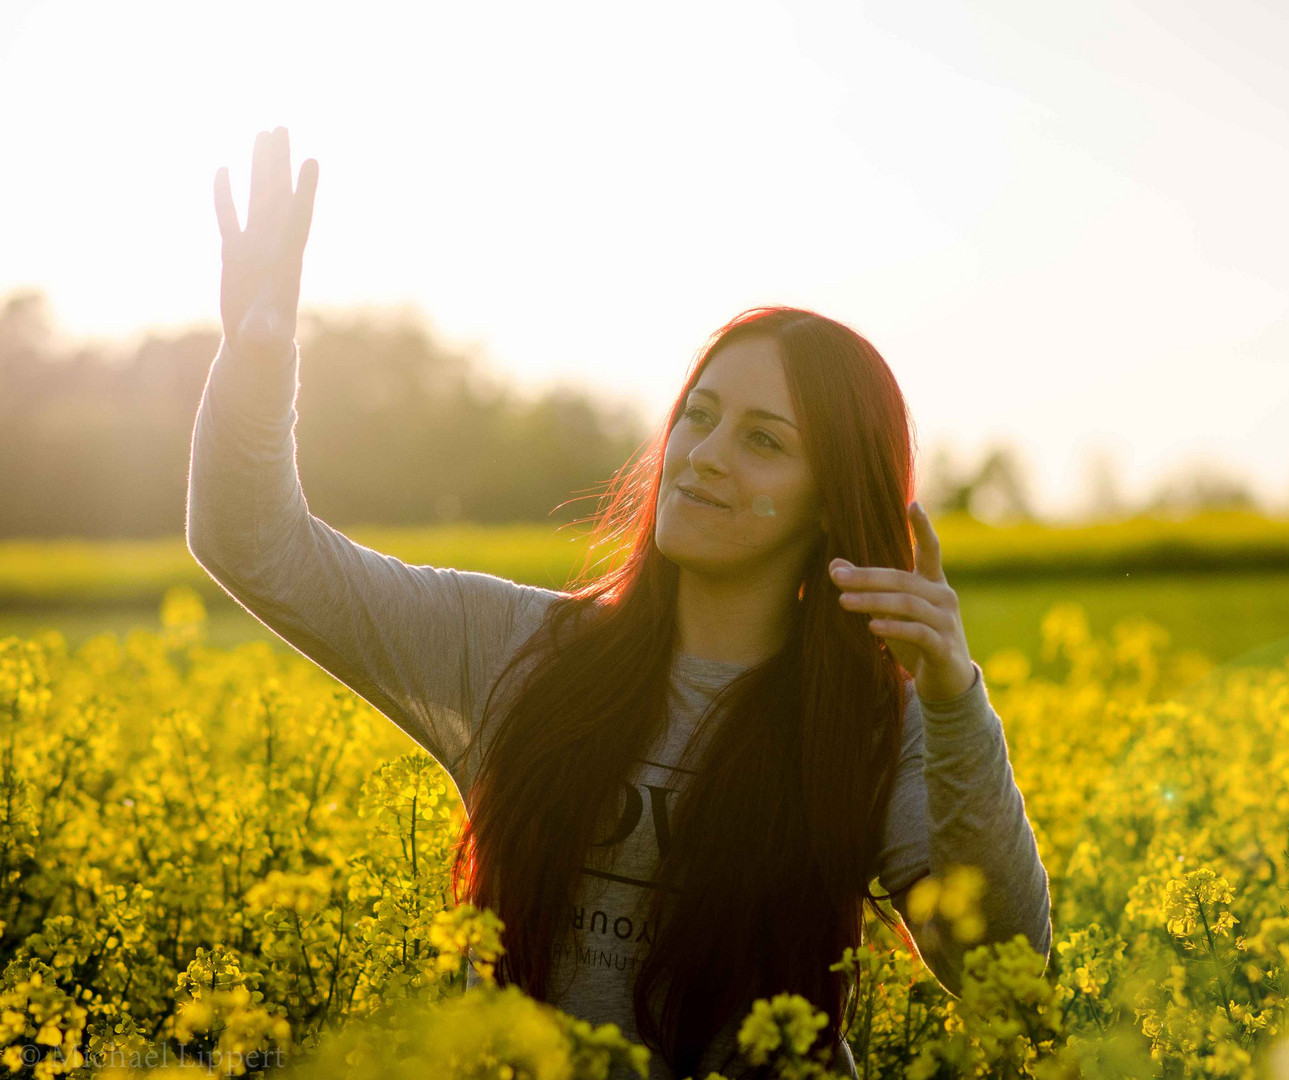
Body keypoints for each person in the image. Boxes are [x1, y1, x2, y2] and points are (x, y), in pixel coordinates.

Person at [188, 126, 1051, 1080]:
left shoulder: (875, 721)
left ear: (831, 500)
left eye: (765, 441)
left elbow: (1001, 974)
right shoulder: (514, 650)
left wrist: (954, 696)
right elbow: (254, 546)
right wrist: (257, 359)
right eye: (700, 414)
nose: (707, 453)